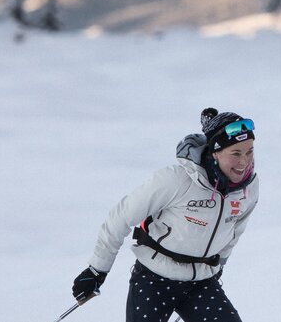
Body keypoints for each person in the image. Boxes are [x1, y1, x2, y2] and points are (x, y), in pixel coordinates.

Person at [72, 108, 260, 322]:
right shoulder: (177, 180)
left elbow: (234, 231)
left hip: (201, 282)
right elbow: (121, 216)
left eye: (249, 151)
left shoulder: (248, 189)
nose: (244, 162)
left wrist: (218, 266)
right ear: (215, 153)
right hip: (155, 279)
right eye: (236, 153)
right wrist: (97, 270)